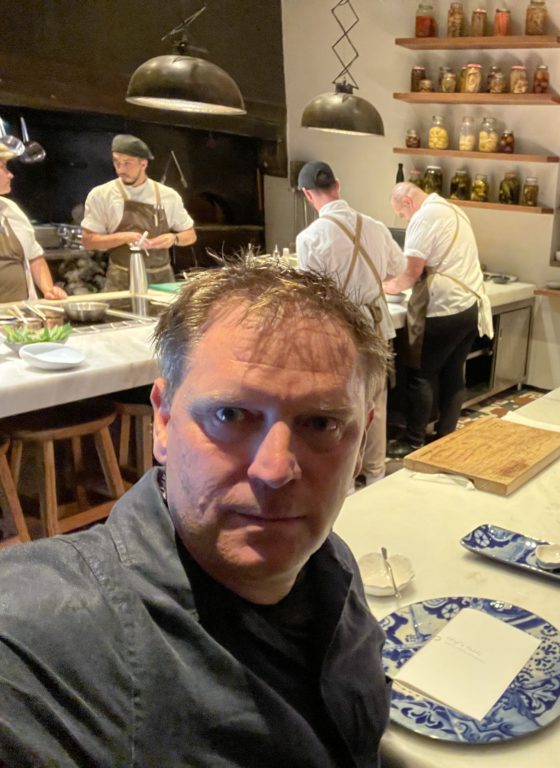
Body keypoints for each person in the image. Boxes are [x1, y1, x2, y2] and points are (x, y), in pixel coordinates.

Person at [0, 263, 391, 766]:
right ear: (163, 421)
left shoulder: (331, 565)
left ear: (361, 442)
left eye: (321, 423)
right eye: (230, 415)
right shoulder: (46, 640)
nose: (275, 470)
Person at [295, 160, 405, 486]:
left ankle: (343, 482)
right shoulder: (375, 227)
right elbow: (397, 268)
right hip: (376, 326)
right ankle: (375, 475)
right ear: (338, 185)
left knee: (338, 405)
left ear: (307, 194)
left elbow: (310, 294)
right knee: (375, 403)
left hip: (337, 330)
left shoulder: (310, 237)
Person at [386, 182, 493, 456]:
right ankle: (445, 435)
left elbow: (411, 274)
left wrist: (385, 287)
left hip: (443, 309)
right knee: (453, 373)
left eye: (402, 214)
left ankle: (413, 440)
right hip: (469, 305)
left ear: (408, 202)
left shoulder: (424, 217)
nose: (404, 219)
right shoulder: (453, 210)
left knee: (420, 375)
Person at [81, 134, 197, 291]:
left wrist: (173, 238)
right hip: (121, 282)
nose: (120, 169)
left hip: (161, 281)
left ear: (143, 163)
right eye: (116, 162)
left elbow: (190, 235)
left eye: (127, 163)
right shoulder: (102, 195)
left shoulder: (168, 195)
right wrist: (124, 237)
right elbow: (88, 241)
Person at [0, 148, 67, 302]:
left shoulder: (12, 210)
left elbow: (34, 257)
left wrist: (48, 290)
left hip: (21, 312)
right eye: (3, 168)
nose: (10, 175)